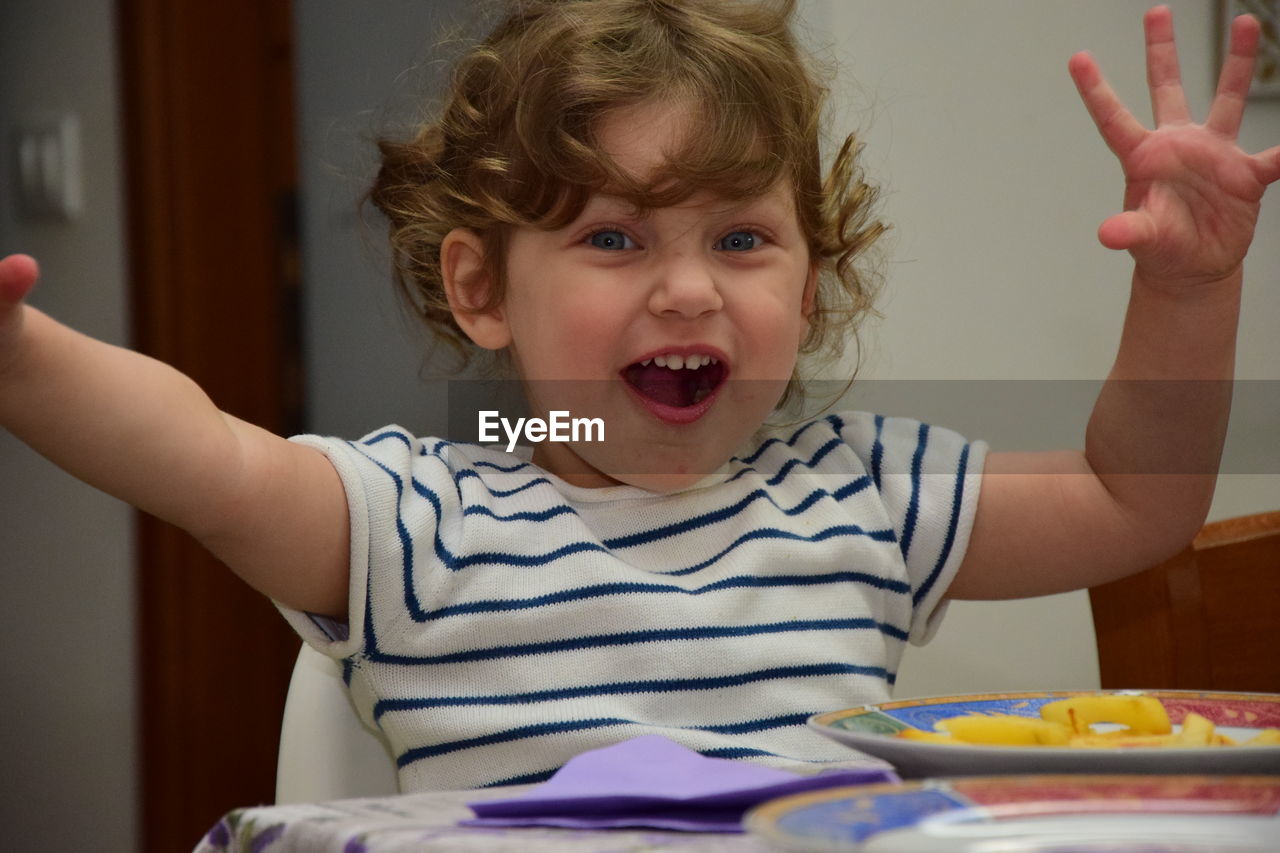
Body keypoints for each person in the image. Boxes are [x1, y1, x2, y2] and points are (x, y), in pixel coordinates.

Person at [1, 0, 1276, 791]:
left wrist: (1185, 292)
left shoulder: (859, 491)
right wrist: (21, 357)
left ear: (813, 283)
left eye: (738, 240)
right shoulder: (419, 516)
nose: (685, 291)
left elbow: (1130, 499)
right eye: (614, 240)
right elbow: (205, 457)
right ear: (481, 289)